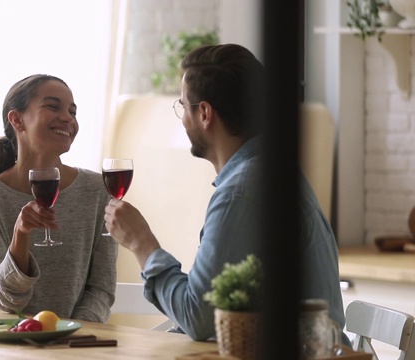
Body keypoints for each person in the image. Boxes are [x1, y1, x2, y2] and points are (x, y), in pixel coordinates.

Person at [103, 44, 347, 341]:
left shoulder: (240, 193)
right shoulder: (272, 173)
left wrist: (142, 243)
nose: (181, 118)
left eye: (183, 106)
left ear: (204, 113)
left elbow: (200, 317)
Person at [0, 74, 117, 322]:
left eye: (72, 111)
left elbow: (101, 288)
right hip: (8, 343)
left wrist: (71, 333)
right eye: (53, 106)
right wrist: (20, 235)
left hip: (76, 345)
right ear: (17, 119)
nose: (68, 118)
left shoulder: (98, 190)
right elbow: (4, 304)